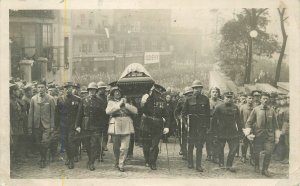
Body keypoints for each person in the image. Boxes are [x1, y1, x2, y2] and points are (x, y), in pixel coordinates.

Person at [245, 92, 280, 177]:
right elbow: (249, 122)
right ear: (260, 100)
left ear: (269, 100)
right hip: (258, 135)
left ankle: (265, 169)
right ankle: (257, 166)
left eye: (267, 99)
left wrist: (277, 137)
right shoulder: (256, 109)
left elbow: (276, 125)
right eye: (263, 98)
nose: (265, 100)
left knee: (268, 152)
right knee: (256, 152)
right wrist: (248, 133)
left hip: (269, 135)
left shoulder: (272, 110)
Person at [75, 82, 106, 171]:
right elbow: (79, 113)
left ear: (96, 91)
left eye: (94, 90)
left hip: (96, 125)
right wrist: (77, 125)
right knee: (87, 144)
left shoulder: (100, 101)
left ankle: (91, 162)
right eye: (91, 90)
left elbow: (103, 115)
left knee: (95, 145)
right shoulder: (83, 100)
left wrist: (103, 125)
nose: (92, 91)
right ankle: (90, 159)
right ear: (88, 90)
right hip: (85, 125)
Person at [106, 87, 137, 172]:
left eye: (118, 92)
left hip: (127, 124)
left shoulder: (127, 101)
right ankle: (117, 161)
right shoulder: (111, 102)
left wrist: (126, 104)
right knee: (116, 147)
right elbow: (108, 111)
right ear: (113, 94)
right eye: (115, 92)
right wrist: (119, 104)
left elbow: (135, 110)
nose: (117, 93)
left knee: (125, 147)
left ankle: (121, 164)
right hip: (116, 124)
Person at [182, 80, 210, 172]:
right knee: (190, 144)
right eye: (195, 88)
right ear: (192, 89)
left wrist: (207, 126)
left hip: (201, 126)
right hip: (191, 126)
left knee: (199, 145)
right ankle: (190, 162)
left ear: (201, 89)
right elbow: (183, 114)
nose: (197, 90)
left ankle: (198, 165)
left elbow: (207, 114)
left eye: (199, 88)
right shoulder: (188, 99)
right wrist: (186, 124)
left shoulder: (205, 99)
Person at [140, 86, 170, 170]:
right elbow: (141, 112)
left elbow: (167, 115)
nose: (157, 95)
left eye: (158, 93)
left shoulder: (162, 102)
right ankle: (147, 159)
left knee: (154, 145)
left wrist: (167, 126)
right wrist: (143, 103)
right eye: (155, 92)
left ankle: (153, 162)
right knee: (146, 145)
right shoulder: (147, 100)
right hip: (147, 125)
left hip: (157, 126)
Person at [211, 91, 242, 172]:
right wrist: (214, 131)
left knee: (233, 149)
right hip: (221, 131)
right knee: (220, 148)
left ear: (233, 98)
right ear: (223, 98)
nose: (229, 99)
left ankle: (229, 164)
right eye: (227, 97)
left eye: (230, 97)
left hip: (233, 132)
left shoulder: (236, 107)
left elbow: (239, 121)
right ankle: (221, 163)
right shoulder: (219, 107)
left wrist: (240, 132)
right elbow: (213, 120)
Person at [28, 80, 56, 168]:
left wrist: (52, 126)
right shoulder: (33, 99)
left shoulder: (50, 99)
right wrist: (29, 127)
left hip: (46, 125)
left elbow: (53, 114)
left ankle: (43, 159)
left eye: (42, 87)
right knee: (38, 143)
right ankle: (42, 157)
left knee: (44, 142)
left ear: (45, 88)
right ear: (37, 88)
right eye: (39, 87)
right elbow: (30, 114)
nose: (40, 89)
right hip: (36, 125)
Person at [56, 82, 81, 169]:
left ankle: (71, 160)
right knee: (65, 142)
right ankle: (68, 156)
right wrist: (57, 126)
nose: (68, 90)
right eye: (66, 88)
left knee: (71, 142)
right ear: (64, 89)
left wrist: (78, 125)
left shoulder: (77, 99)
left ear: (72, 89)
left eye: (70, 88)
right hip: (63, 124)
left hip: (73, 124)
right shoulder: (60, 99)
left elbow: (79, 113)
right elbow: (57, 113)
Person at [174, 87, 193, 160]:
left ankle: (189, 153)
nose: (189, 95)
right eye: (188, 94)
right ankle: (184, 152)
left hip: (192, 121)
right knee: (183, 138)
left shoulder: (194, 101)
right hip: (183, 121)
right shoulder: (181, 101)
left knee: (191, 138)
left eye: (191, 94)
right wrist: (179, 118)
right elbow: (176, 112)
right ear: (185, 94)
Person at [207, 87, 223, 164]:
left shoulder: (221, 102)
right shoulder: (207, 101)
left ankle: (215, 156)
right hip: (209, 121)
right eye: (213, 92)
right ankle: (209, 154)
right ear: (210, 93)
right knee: (209, 138)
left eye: (216, 92)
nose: (215, 93)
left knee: (217, 139)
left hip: (218, 122)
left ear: (218, 93)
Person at [239, 92, 254, 164]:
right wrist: (241, 128)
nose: (251, 100)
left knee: (252, 143)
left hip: (252, 128)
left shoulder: (255, 108)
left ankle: (251, 157)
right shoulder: (242, 107)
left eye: (252, 98)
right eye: (249, 98)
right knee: (244, 143)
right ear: (247, 99)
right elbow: (239, 118)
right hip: (244, 127)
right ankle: (243, 156)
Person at [96, 81, 109, 160]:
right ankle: (99, 152)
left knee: (105, 135)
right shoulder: (96, 97)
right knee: (98, 136)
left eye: (103, 89)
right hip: (97, 120)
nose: (102, 90)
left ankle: (103, 148)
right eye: (100, 89)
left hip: (105, 119)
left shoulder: (106, 97)